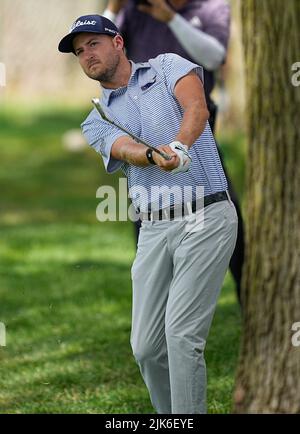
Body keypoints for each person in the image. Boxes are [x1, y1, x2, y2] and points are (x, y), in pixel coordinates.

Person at [58, 14, 238, 414]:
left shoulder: (168, 66)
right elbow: (124, 149)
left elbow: (196, 109)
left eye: (93, 44)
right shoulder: (96, 120)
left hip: (206, 215)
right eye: (79, 51)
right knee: (146, 346)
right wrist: (153, 155)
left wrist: (180, 147)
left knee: (180, 336)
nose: (86, 55)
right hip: (154, 228)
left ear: (118, 43)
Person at [103, 0, 245, 303]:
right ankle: (158, 310)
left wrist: (170, 18)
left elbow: (215, 55)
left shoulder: (211, 7)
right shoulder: (135, 9)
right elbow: (99, 53)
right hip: (143, 134)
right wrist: (114, 9)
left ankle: (253, 307)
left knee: (223, 209)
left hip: (197, 130)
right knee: (148, 222)